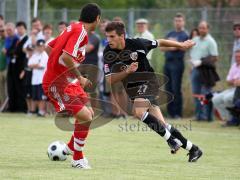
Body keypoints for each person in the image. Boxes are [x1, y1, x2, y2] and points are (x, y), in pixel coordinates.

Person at [103, 21, 202, 163]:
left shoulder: (138, 44)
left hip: (148, 82)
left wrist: (181, 45)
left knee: (138, 112)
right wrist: (127, 71)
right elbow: (110, 80)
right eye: (107, 36)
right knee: (162, 124)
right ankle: (194, 149)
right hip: (133, 89)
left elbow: (159, 42)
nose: (109, 40)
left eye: (112, 36)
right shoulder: (108, 52)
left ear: (122, 36)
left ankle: (171, 141)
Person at [42, 3, 101, 169]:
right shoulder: (81, 33)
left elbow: (49, 48)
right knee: (86, 117)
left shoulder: (72, 27)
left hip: (65, 82)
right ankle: (77, 159)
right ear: (97, 18)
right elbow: (67, 57)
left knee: (88, 113)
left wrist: (59, 70)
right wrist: (79, 77)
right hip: (57, 85)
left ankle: (69, 147)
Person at [160, 13, 189, 119]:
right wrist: (173, 45)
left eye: (180, 21)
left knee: (176, 88)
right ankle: (170, 113)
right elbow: (162, 48)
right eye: (176, 21)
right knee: (168, 89)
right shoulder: (170, 33)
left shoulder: (185, 35)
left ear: (183, 22)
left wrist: (172, 44)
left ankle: (177, 113)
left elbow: (183, 48)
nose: (178, 22)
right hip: (167, 63)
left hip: (177, 63)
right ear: (174, 22)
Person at [190, 21, 219, 121]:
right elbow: (192, 53)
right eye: (200, 28)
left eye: (203, 28)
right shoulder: (195, 39)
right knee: (196, 94)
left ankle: (208, 116)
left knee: (206, 94)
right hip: (195, 70)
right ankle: (199, 116)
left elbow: (215, 57)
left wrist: (201, 62)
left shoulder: (211, 41)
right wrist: (193, 63)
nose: (201, 30)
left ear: (207, 29)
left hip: (206, 71)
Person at [212, 49, 240, 121]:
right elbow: (228, 82)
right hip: (233, 88)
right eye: (236, 57)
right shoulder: (234, 65)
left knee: (227, 98)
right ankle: (227, 119)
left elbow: (236, 82)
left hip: (238, 90)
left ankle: (233, 120)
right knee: (215, 99)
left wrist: (234, 81)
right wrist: (234, 81)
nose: (237, 58)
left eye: (239, 57)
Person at [28, 39, 48, 116]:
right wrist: (36, 65)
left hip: (42, 79)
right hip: (34, 79)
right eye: (39, 46)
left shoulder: (45, 55)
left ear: (44, 46)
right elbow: (29, 64)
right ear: (37, 47)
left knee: (41, 97)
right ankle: (33, 111)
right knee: (35, 96)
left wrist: (35, 65)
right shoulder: (35, 55)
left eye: (42, 46)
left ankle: (41, 111)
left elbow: (41, 66)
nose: (40, 48)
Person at [0, 25, 6, 106]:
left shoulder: (7, 41)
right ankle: (2, 105)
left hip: (6, 67)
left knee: (6, 88)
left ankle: (6, 105)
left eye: (2, 31)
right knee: (1, 89)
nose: (1, 33)